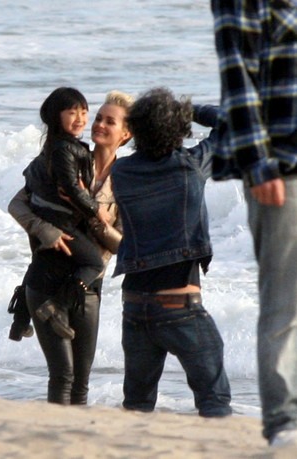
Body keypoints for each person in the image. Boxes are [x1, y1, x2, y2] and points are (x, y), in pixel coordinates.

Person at [110, 87, 232, 418]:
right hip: (179, 307)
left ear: (134, 129)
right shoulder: (190, 167)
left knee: (137, 404)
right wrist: (189, 110)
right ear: (178, 129)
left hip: (134, 306)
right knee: (213, 399)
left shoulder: (120, 173)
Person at [8, 90, 133, 405]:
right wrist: (44, 229)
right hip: (47, 276)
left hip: (88, 286)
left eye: (109, 121)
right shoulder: (68, 158)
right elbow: (17, 204)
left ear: (126, 133)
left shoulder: (130, 182)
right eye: (99, 117)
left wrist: (96, 222)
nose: (98, 125)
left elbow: (124, 246)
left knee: (81, 382)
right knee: (62, 376)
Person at [211, 0, 297, 445]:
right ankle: (285, 423)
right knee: (285, 300)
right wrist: (258, 160)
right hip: (282, 166)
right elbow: (237, 73)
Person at [20, 87, 106, 340]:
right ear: (57, 116)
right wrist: (94, 208)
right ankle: (56, 307)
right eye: (72, 112)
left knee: (43, 262)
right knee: (93, 262)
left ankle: (21, 316)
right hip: (60, 220)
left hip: (56, 218)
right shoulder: (62, 149)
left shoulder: (67, 147)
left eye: (84, 112)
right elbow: (70, 188)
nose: (80, 118)